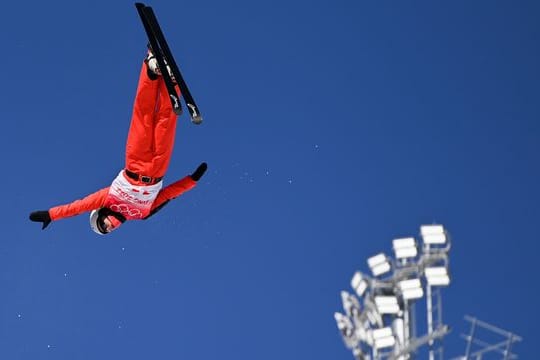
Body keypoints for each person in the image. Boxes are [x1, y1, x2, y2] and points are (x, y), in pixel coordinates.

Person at [29, 48, 207, 235]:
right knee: (166, 121)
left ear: (100, 213)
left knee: (143, 117)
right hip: (158, 168)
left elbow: (77, 207)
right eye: (108, 230)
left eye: (103, 224)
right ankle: (170, 81)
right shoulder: (142, 214)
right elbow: (167, 195)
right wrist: (191, 181)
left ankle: (150, 69)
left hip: (135, 162)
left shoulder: (108, 199)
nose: (110, 226)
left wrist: (51, 214)